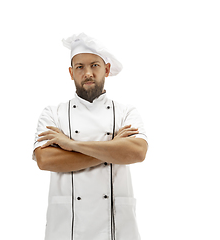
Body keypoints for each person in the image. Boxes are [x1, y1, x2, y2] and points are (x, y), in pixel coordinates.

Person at [32, 33, 148, 240]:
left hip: (116, 228)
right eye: (80, 67)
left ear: (107, 70)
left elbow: (137, 152)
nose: (88, 73)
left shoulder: (126, 112)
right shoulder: (52, 113)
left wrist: (69, 144)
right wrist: (114, 148)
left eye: (95, 65)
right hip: (67, 228)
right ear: (71, 72)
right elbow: (45, 160)